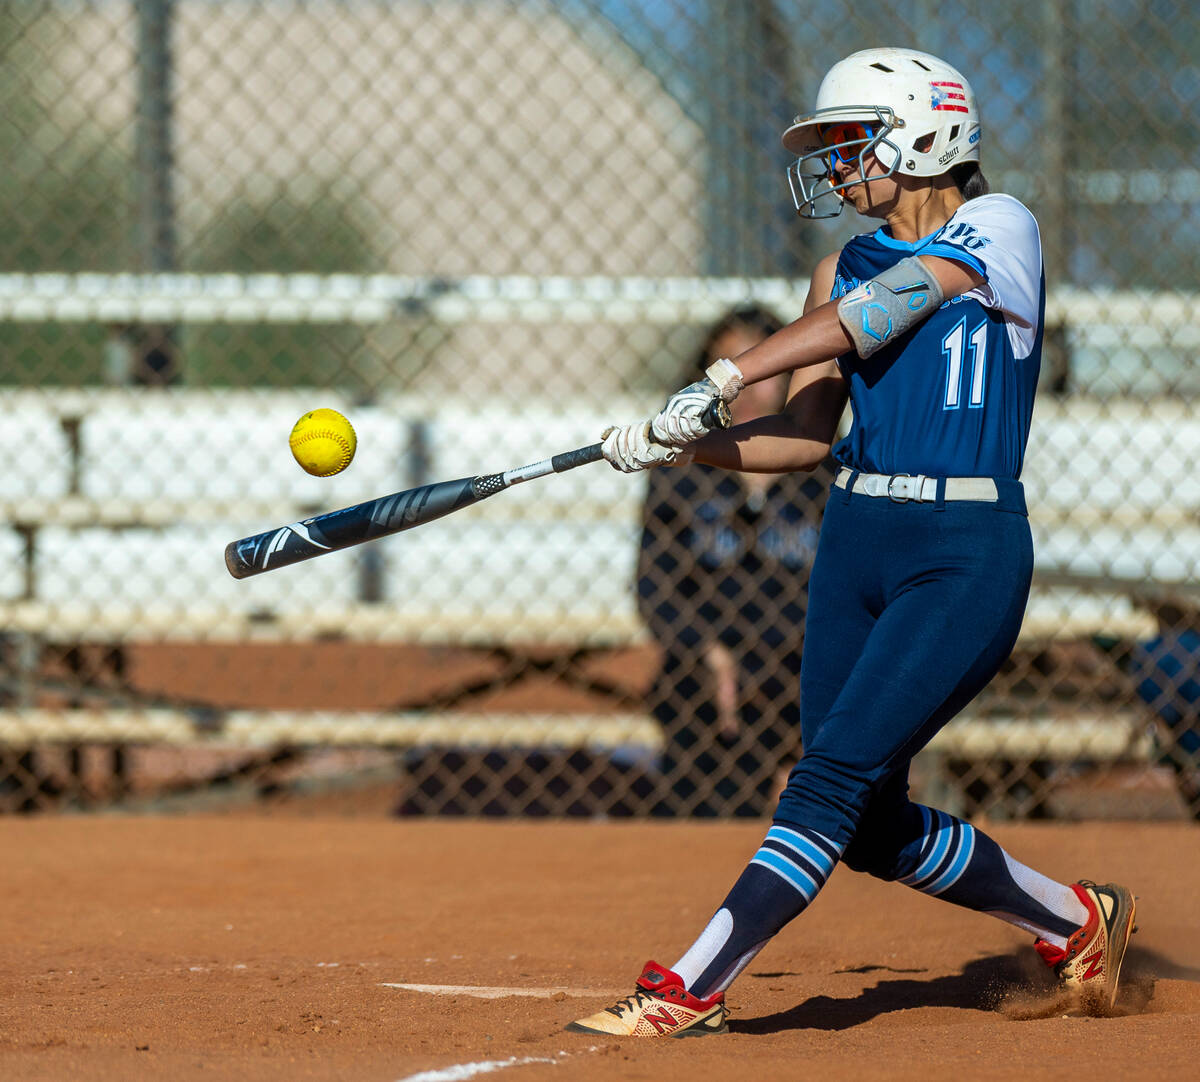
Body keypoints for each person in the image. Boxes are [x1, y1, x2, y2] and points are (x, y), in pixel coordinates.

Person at [569, 47, 1137, 1037]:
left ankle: (688, 984)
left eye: (850, 140)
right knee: (866, 820)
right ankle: (1075, 918)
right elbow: (799, 437)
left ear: (925, 133)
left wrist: (728, 373)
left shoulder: (996, 228)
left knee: (823, 780)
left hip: (959, 550)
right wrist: (682, 447)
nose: (835, 164)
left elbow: (895, 304)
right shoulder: (837, 267)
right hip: (855, 541)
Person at [636, 304, 832, 817]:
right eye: (725, 371)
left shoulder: (829, 472)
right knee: (686, 704)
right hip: (704, 672)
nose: (746, 391)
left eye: (762, 372)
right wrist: (707, 651)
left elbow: (853, 588)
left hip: (804, 667)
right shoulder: (683, 471)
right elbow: (653, 585)